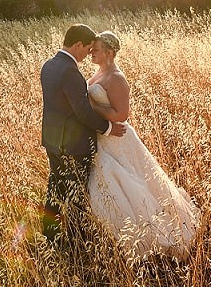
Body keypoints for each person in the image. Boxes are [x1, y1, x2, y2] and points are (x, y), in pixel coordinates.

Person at [87, 31, 200, 260]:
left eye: (96, 49)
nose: (91, 52)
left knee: (133, 182)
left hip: (117, 138)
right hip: (102, 138)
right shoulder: (99, 73)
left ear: (108, 52)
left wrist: (90, 107)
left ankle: (151, 234)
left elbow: (121, 114)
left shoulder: (117, 78)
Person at [40, 23, 127, 244]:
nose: (89, 53)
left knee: (55, 187)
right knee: (77, 194)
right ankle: (76, 240)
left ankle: (50, 234)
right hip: (74, 144)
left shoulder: (49, 66)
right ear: (78, 44)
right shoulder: (71, 72)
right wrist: (108, 129)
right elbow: (82, 112)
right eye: (88, 48)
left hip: (52, 141)